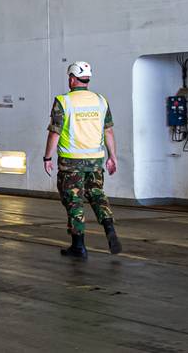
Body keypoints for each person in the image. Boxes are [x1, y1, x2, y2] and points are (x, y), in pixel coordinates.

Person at [44, 61, 123, 259]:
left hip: (71, 162)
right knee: (97, 194)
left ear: (71, 79)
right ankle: (109, 228)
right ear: (87, 79)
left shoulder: (63, 101)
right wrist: (113, 157)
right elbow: (109, 131)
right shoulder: (100, 100)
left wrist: (47, 157)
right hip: (96, 160)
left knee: (74, 202)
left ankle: (78, 246)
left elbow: (55, 133)